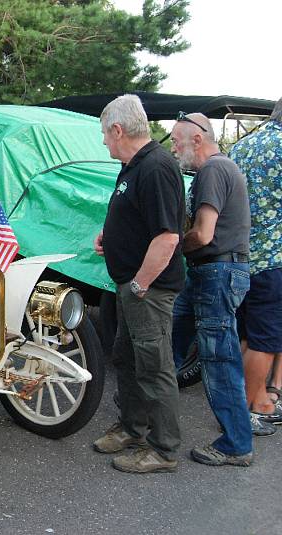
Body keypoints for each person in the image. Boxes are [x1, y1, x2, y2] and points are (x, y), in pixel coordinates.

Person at [92, 94, 184, 473]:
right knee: (127, 359)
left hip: (147, 290)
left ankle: (163, 450)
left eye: (104, 134)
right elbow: (137, 218)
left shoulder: (157, 168)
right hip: (131, 285)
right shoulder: (135, 165)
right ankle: (132, 428)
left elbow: (168, 237)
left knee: (154, 366)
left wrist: (140, 285)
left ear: (118, 129)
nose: (103, 142)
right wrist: (109, 236)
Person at [170, 112, 255, 466]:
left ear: (197, 139)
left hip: (217, 272)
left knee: (219, 360)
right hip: (215, 271)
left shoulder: (212, 171)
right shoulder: (222, 168)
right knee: (171, 336)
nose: (173, 149)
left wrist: (171, 246)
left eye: (176, 142)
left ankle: (236, 444)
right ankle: (144, 411)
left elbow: (204, 233)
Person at [230, 96, 282, 430]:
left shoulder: (243, 146)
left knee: (246, 335)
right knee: (264, 340)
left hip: (240, 257)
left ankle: (255, 398)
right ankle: (251, 410)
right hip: (275, 258)